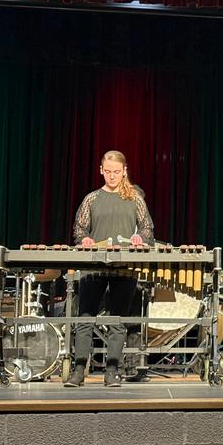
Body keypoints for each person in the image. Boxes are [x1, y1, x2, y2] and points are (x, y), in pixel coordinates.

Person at [64, 150, 154, 387]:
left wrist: (140, 238)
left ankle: (112, 370)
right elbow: (79, 228)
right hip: (94, 268)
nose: (112, 176)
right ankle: (79, 370)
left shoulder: (135, 199)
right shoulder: (92, 199)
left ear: (124, 171)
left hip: (124, 267)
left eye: (116, 171)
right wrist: (84, 239)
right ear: (100, 170)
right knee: (85, 319)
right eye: (108, 171)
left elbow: (147, 228)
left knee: (117, 321)